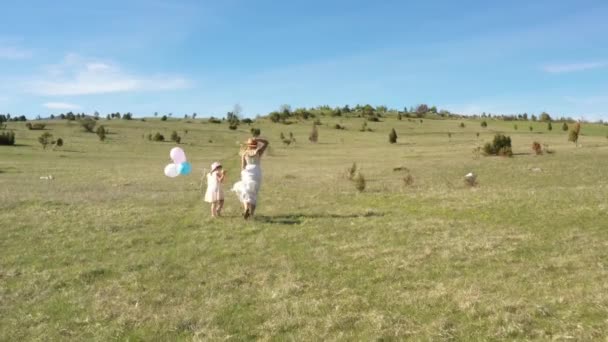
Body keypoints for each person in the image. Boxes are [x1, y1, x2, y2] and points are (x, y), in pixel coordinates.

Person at [232, 137, 269, 219]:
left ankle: (246, 209)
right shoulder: (258, 151)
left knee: (246, 190)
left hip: (247, 172)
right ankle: (251, 213)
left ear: (248, 145)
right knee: (254, 192)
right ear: (256, 145)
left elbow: (243, 166)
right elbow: (266, 142)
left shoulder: (244, 153)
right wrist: (258, 139)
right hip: (256, 171)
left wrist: (243, 174)